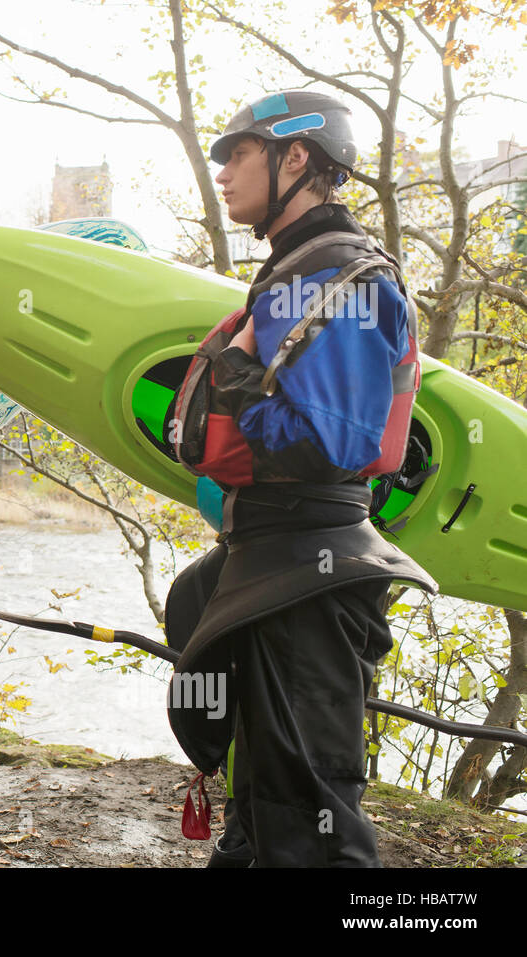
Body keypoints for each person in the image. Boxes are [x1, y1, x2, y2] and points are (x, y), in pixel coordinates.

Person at [163, 91, 437, 867]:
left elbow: (328, 444)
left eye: (238, 154)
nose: (222, 173)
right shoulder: (295, 271)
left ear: (297, 159)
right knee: (262, 810)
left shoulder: (341, 276)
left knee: (310, 823)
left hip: (310, 567)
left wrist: (239, 367)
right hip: (272, 551)